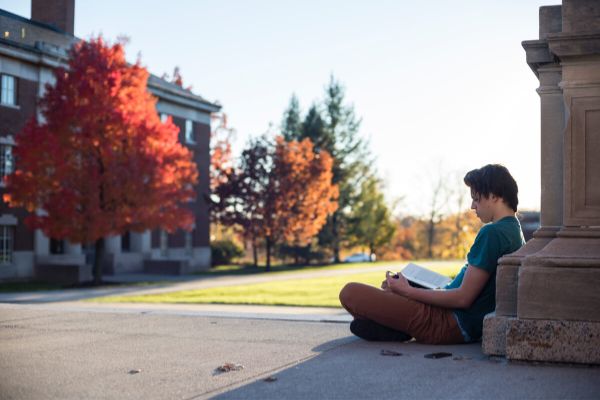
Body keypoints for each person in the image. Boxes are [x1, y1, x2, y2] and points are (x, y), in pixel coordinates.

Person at [339, 164, 525, 344]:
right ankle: (393, 328)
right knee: (389, 290)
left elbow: (463, 298)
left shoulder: (492, 233)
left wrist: (408, 291)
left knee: (350, 293)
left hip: (448, 322)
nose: (472, 206)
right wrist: (414, 289)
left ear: (493, 196)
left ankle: (395, 328)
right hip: (458, 320)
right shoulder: (515, 231)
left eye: (476, 198)